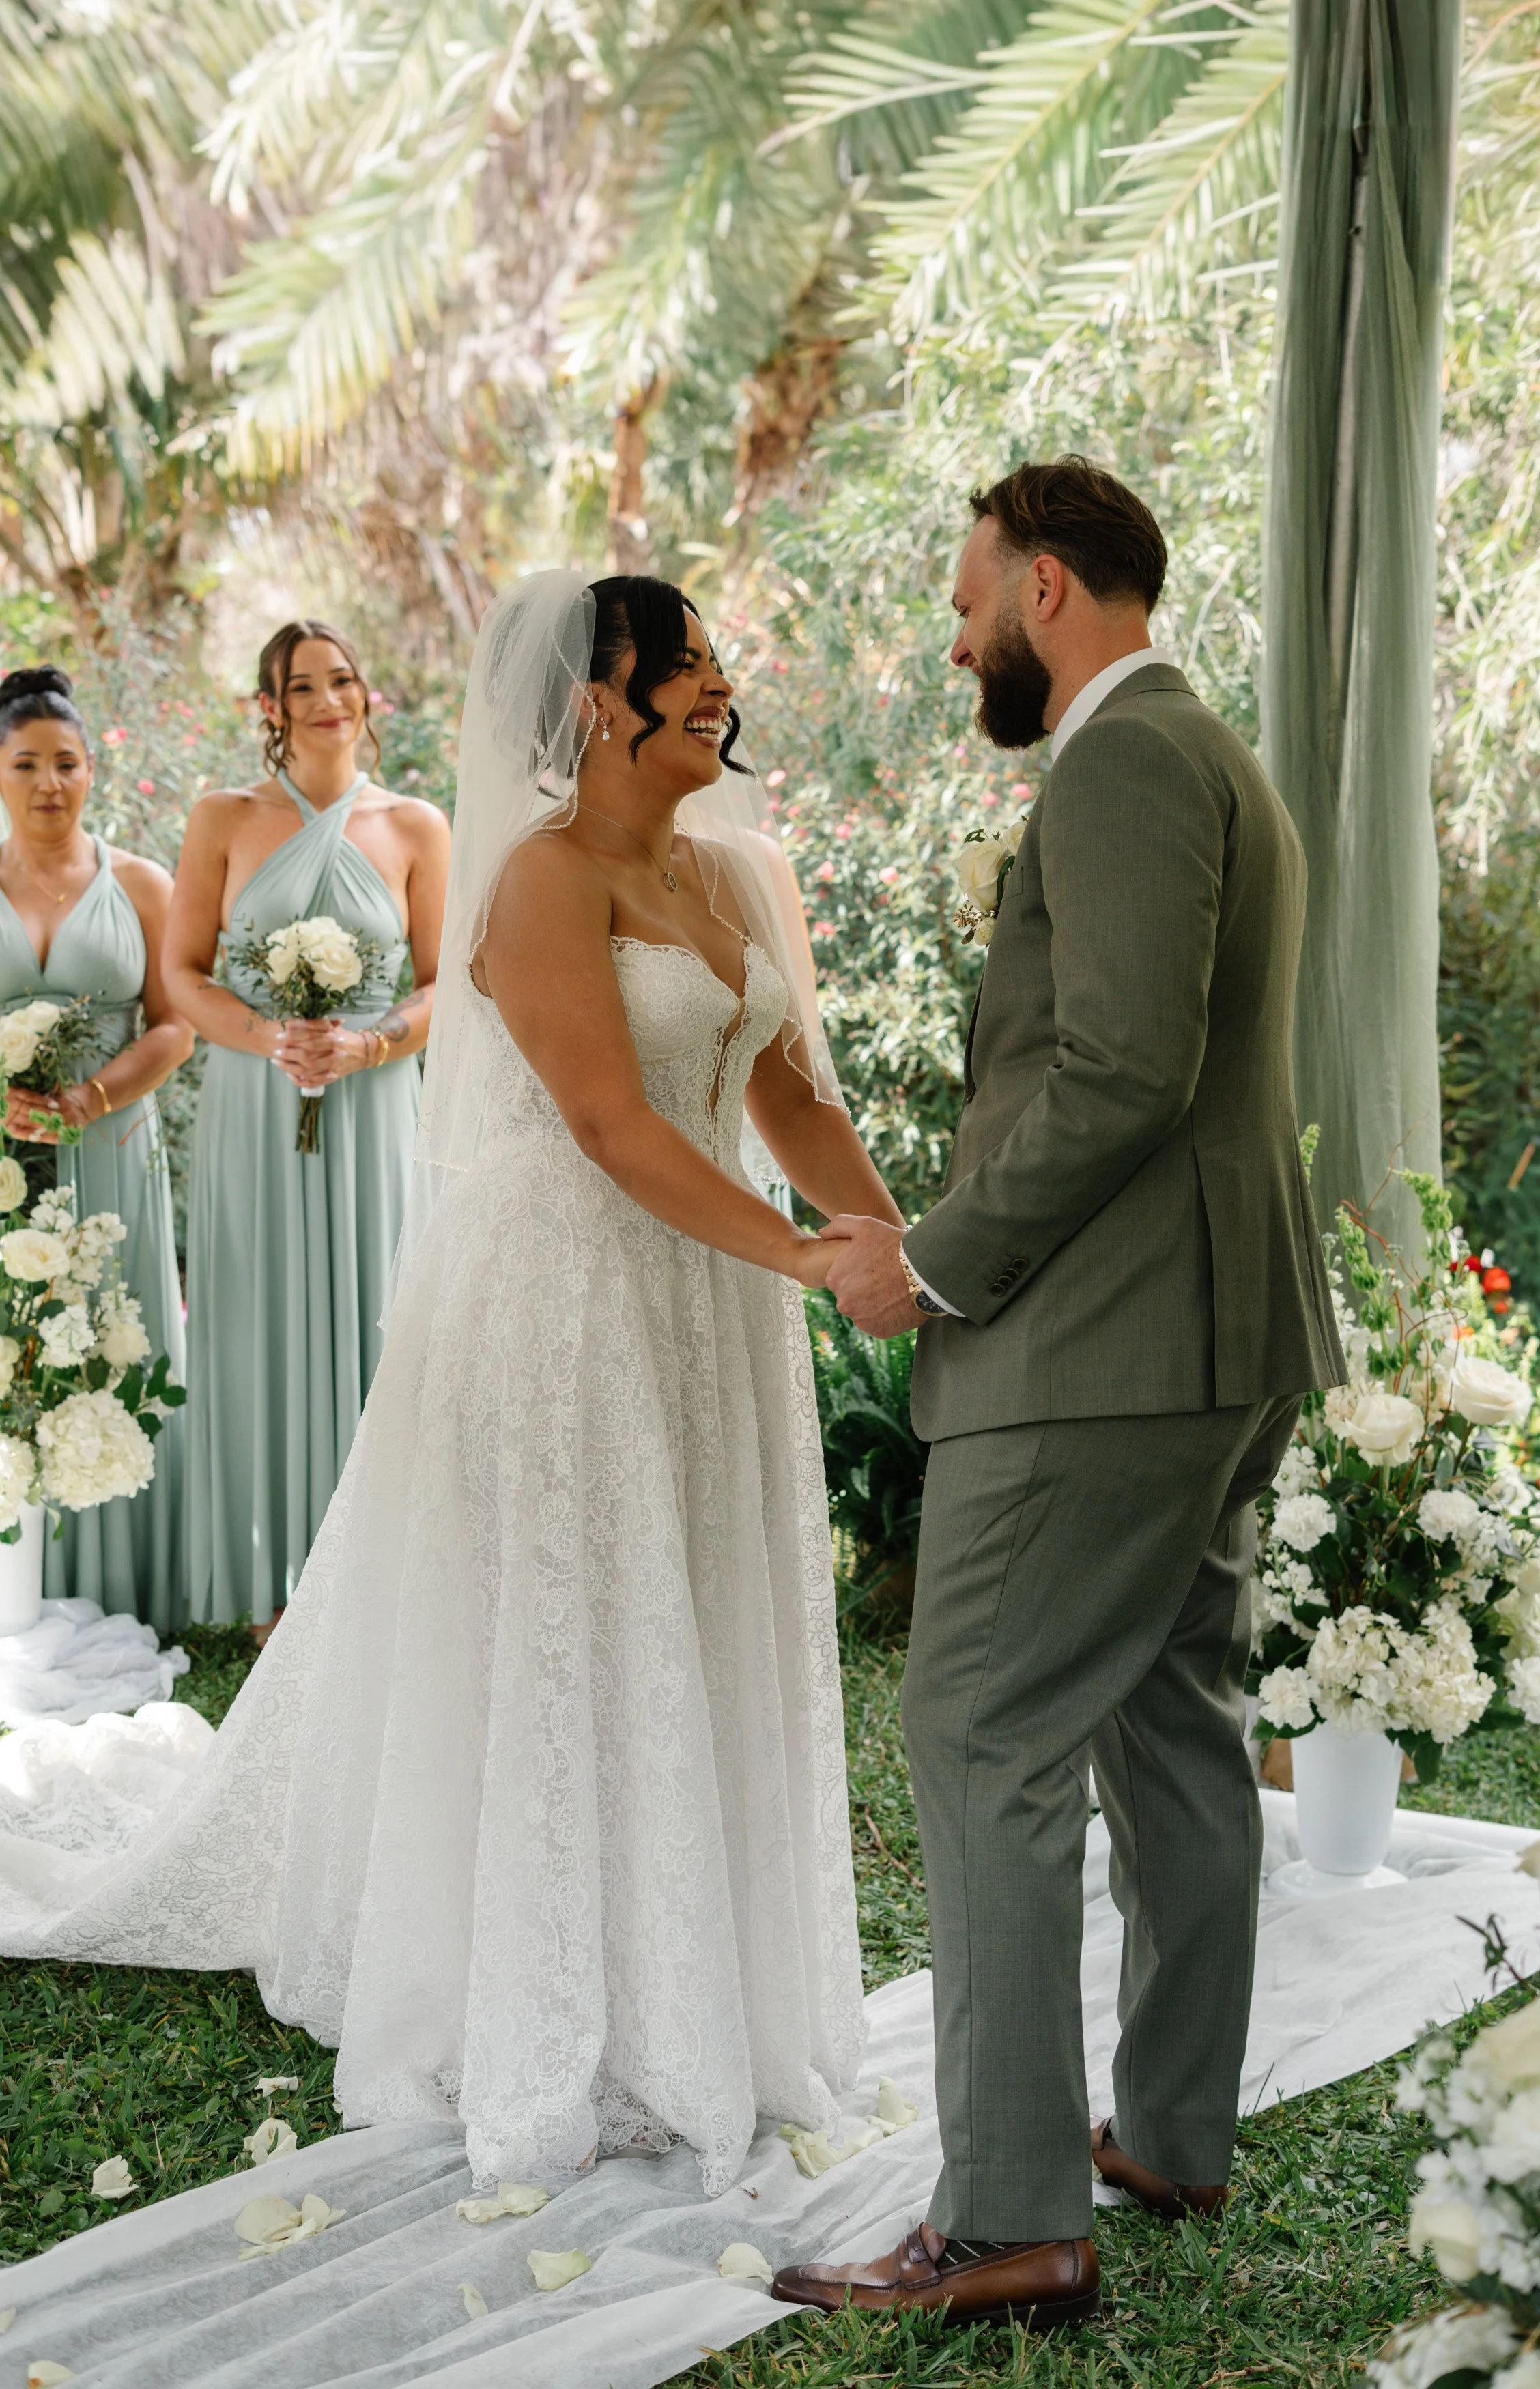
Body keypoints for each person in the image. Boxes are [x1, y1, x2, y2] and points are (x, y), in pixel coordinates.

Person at [0, 570, 893, 2201]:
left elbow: (780, 1090)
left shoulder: (736, 875)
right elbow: (616, 1129)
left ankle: (718, 1986)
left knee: (697, 1604)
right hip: (572, 1294)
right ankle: (570, 2007)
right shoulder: (538, 886)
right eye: (680, 665)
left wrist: (880, 1231)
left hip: (713, 1290)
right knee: (574, 1626)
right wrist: (809, 1261)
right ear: (592, 708)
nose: (713, 687)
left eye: (708, 662)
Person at [778, 458, 1345, 2330]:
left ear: (1042, 589)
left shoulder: (1114, 760)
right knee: (1167, 1713)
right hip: (1214, 1332)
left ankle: (1011, 2211)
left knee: (979, 1731)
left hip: (1099, 1350)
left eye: (962, 604)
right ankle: (1168, 2123)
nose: (954, 644)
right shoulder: (1210, 756)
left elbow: (1112, 1069)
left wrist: (926, 1256)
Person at [166, 619, 448, 1635]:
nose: (332, 699)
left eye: (345, 680)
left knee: (377, 1321)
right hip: (255, 1104)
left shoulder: (416, 826)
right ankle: (271, 1591)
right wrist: (265, 1037)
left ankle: (371, 1594)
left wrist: (369, 1047)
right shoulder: (223, 818)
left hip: (374, 1114)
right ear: (270, 709)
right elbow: (180, 974)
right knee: (257, 1322)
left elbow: (443, 986)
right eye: (306, 686)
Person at [0, 666, 194, 1629]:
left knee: (117, 1344)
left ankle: (133, 1582)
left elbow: (173, 1025)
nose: (48, 783)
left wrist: (91, 1096)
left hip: (113, 1147)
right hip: (3, 1164)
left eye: (66, 763)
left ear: (91, 772)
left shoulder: (145, 885)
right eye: (26, 763)